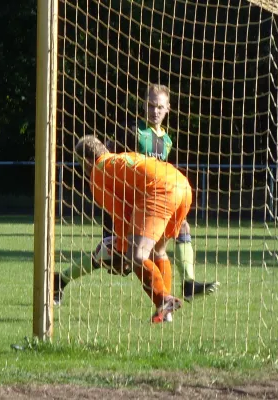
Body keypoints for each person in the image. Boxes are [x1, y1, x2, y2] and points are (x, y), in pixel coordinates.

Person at [54, 84, 219, 306]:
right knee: (116, 257)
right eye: (151, 106)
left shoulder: (166, 140)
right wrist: (110, 232)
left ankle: (183, 287)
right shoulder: (130, 130)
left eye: (160, 107)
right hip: (131, 203)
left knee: (174, 234)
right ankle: (61, 279)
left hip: (154, 198)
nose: (155, 111)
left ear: (168, 108)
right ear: (143, 105)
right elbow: (110, 169)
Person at [72, 135, 191, 322]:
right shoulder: (119, 160)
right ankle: (165, 312)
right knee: (158, 251)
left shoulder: (97, 173)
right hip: (182, 185)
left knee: (136, 256)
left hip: (160, 191)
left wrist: (121, 251)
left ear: (86, 161)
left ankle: (164, 300)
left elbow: (119, 217)